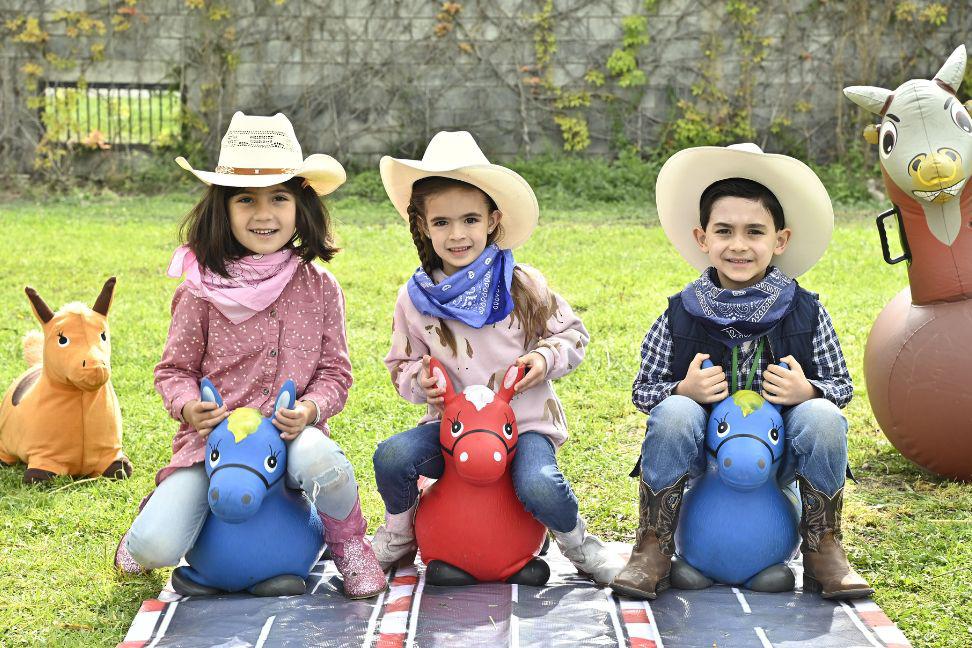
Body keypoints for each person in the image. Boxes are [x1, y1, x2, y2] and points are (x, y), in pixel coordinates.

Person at [113, 112, 385, 599]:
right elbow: (174, 370)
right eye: (246, 199)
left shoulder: (320, 287)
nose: (264, 214)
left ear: (301, 205)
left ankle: (348, 545)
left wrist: (310, 409)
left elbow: (335, 373)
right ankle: (155, 514)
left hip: (289, 435)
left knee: (326, 463)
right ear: (223, 208)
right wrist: (188, 406)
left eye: (279, 197)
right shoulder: (199, 290)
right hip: (215, 443)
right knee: (154, 547)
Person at [611, 143, 874, 601]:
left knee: (824, 417)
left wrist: (808, 390)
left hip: (776, 454)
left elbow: (842, 386)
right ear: (702, 238)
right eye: (724, 231)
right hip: (706, 456)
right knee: (673, 411)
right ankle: (653, 547)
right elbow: (644, 390)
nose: (738, 245)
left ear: (780, 240)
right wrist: (683, 388)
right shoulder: (680, 312)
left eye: (754, 231)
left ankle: (823, 548)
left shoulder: (805, 311)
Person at [370, 131, 624, 586]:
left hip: (523, 425)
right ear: (423, 226)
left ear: (493, 220)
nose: (457, 234)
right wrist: (418, 382)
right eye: (442, 222)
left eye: (470, 219)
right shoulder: (415, 300)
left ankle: (580, 545)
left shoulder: (522, 284)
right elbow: (400, 365)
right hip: (451, 431)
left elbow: (573, 335)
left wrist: (543, 359)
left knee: (539, 483)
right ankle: (400, 534)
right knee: (392, 457)